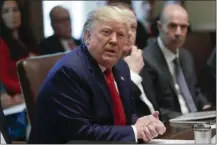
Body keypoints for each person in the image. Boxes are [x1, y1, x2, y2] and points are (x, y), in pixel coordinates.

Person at [28, 6, 166, 144]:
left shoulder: (120, 66)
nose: (114, 40)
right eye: (106, 32)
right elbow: (80, 133)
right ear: (87, 36)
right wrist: (134, 131)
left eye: (120, 35)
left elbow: (122, 115)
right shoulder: (69, 72)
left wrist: (143, 124)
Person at [143, 4, 212, 120]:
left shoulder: (186, 56)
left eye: (183, 27)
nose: (178, 33)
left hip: (196, 121)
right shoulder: (146, 60)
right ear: (160, 26)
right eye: (173, 26)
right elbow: (153, 109)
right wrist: (188, 118)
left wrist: (206, 106)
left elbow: (193, 91)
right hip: (172, 126)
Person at [108, 2, 161, 118]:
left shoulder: (142, 61)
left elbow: (158, 107)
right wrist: (131, 75)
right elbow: (118, 115)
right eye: (123, 26)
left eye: (133, 27)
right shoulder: (104, 67)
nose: (129, 33)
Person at [0, 0, 38, 141]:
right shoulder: (2, 42)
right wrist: (25, 91)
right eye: (6, 11)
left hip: (31, 94)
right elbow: (4, 77)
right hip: (15, 100)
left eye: (15, 10)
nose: (13, 15)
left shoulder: (27, 38)